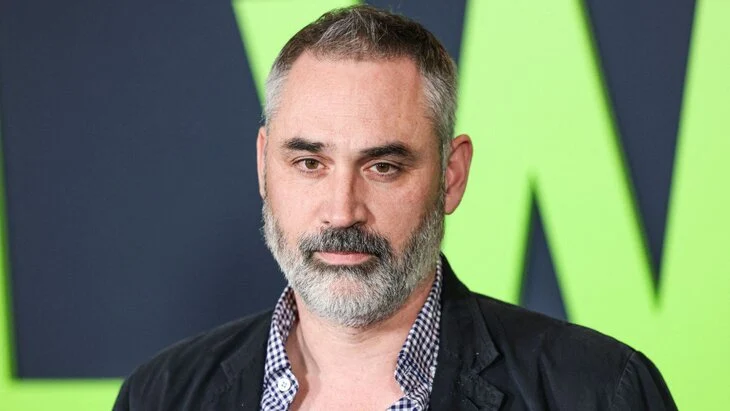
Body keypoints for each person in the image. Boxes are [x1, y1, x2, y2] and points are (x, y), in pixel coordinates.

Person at [113, 5, 676, 410]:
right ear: (264, 166)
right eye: (309, 162)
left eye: (383, 166)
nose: (342, 211)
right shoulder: (160, 396)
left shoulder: (601, 392)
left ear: (451, 176)